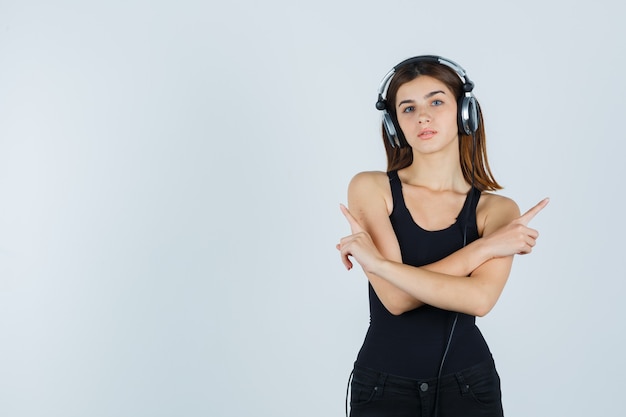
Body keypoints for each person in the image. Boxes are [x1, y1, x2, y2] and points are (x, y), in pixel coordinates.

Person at [336, 55, 549, 417]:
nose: (423, 116)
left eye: (436, 101)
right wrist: (485, 248)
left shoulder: (497, 211)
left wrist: (380, 265)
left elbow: (479, 299)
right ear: (393, 123)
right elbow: (396, 299)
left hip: (467, 386)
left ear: (465, 113)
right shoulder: (370, 187)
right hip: (382, 386)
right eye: (407, 108)